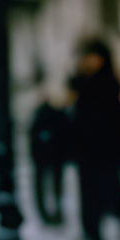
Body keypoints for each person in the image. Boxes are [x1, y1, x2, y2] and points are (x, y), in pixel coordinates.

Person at [69, 37, 120, 240]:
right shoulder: (81, 84)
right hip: (87, 151)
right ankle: (92, 234)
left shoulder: (106, 84)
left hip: (105, 149)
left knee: (110, 189)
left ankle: (109, 225)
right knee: (89, 195)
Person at [28, 91, 70, 226]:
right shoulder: (56, 115)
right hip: (52, 157)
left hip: (48, 157)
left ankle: (49, 213)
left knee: (47, 186)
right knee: (54, 185)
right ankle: (52, 213)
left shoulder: (41, 115)